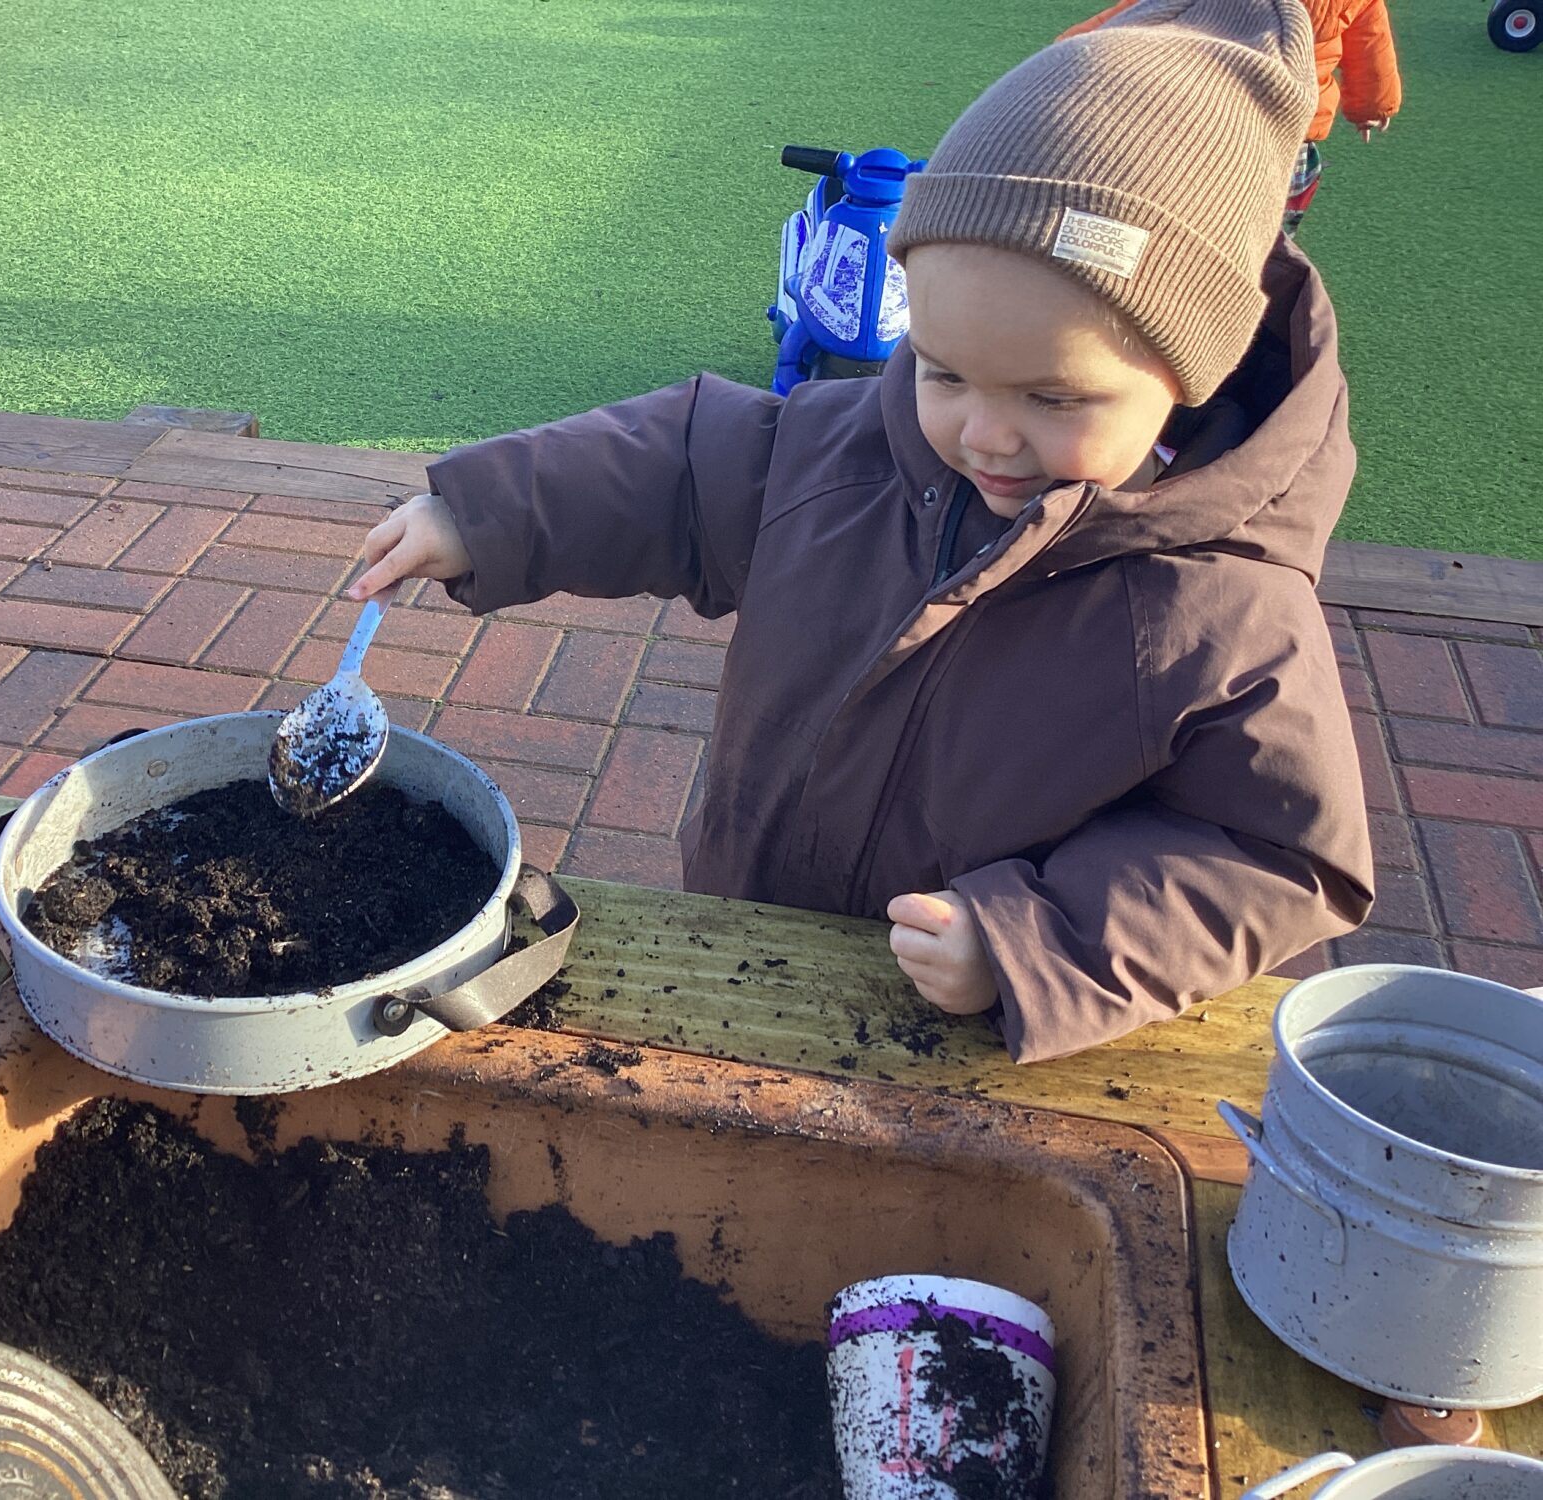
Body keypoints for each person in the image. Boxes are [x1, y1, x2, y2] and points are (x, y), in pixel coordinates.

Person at [347, 0, 1374, 1063]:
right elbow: (678, 470)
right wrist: (487, 514)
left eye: (1053, 398)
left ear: (1191, 372)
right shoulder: (843, 450)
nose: (983, 435)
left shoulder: (1220, 613)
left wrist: (1030, 942)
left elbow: (1271, 853)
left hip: (953, 1037)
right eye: (944, 371)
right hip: (750, 924)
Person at [1060, 0, 1403, 236]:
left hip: (1206, 119)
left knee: (1176, 206)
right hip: (1288, 136)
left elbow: (1139, 13)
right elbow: (1370, 43)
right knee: (1270, 228)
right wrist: (1373, 107)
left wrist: (1070, 51)